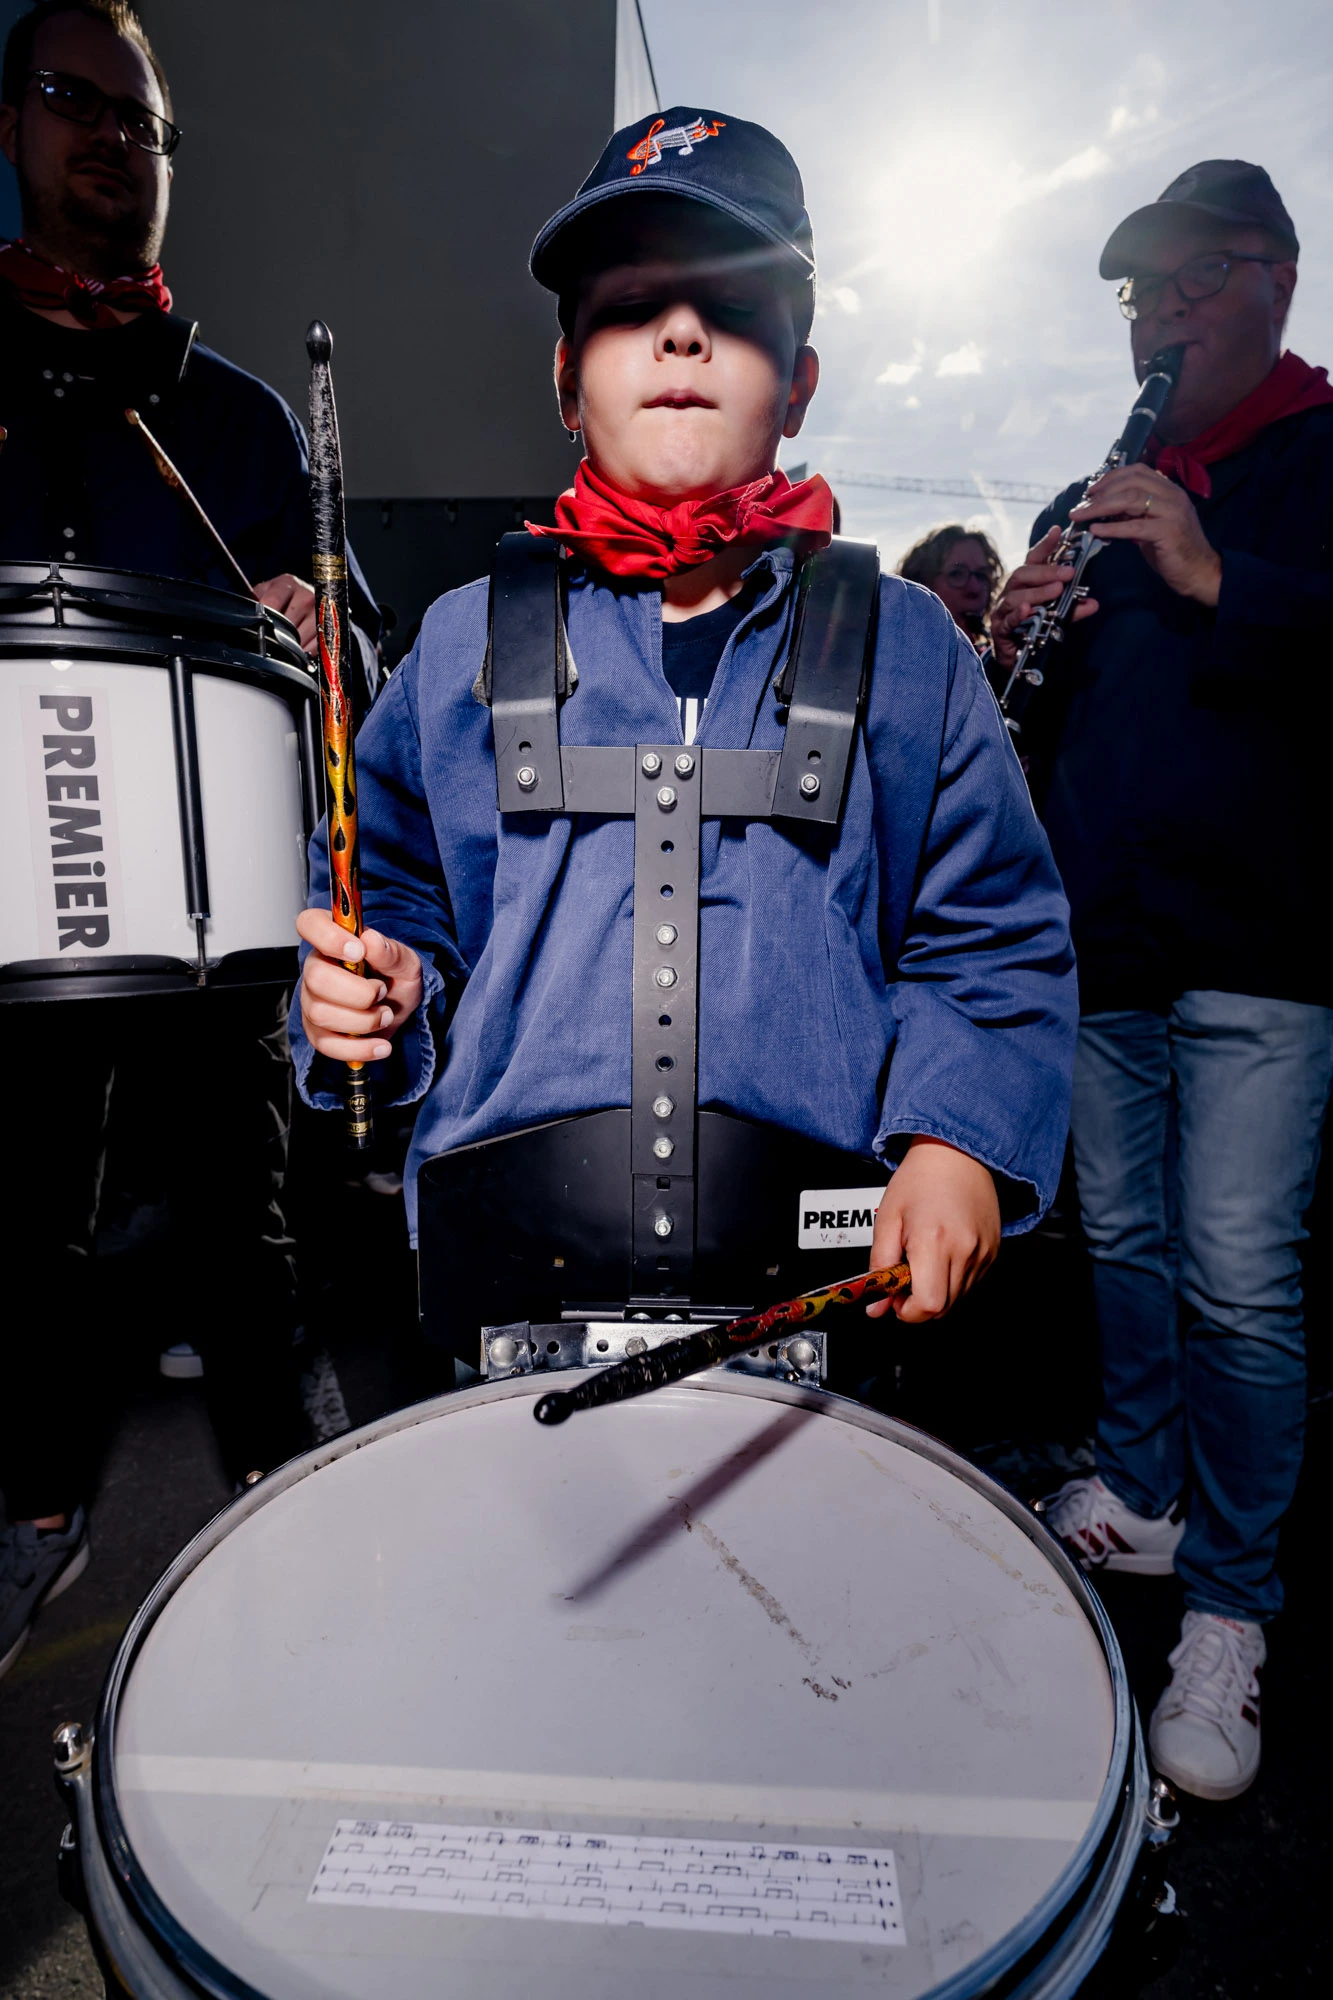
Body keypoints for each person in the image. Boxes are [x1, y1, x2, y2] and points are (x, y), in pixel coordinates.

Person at [291, 107, 1075, 1393]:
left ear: (801, 377)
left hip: (822, 1305)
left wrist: (959, 1143)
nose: (680, 333)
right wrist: (365, 997)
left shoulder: (909, 647)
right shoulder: (458, 646)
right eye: (631, 304)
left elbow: (990, 938)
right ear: (562, 379)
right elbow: (390, 903)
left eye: (731, 305)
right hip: (500, 1287)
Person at [0, 0, 376, 1680]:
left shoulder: (227, 414)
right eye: (75, 102)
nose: (112, 142)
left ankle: (296, 1547)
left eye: (142, 120)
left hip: (207, 936)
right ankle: (25, 1517)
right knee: (14, 1241)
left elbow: (352, 655)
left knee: (251, 1249)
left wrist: (322, 640)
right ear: (14, 125)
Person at [990, 160, 1333, 1801]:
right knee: (1117, 1235)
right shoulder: (1090, 490)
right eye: (1139, 293)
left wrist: (1210, 574)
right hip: (1105, 937)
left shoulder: (1324, 451)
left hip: (1263, 938)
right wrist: (1016, 642)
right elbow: (1062, 727)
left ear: (1270, 277)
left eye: (1191, 282)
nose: (1161, 317)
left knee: (1236, 1275)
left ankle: (1232, 1609)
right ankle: (1139, 1484)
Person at [896, 522, 1002, 649]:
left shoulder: (992, 658)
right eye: (956, 574)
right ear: (922, 583)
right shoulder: (893, 656)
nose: (975, 588)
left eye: (981, 575)